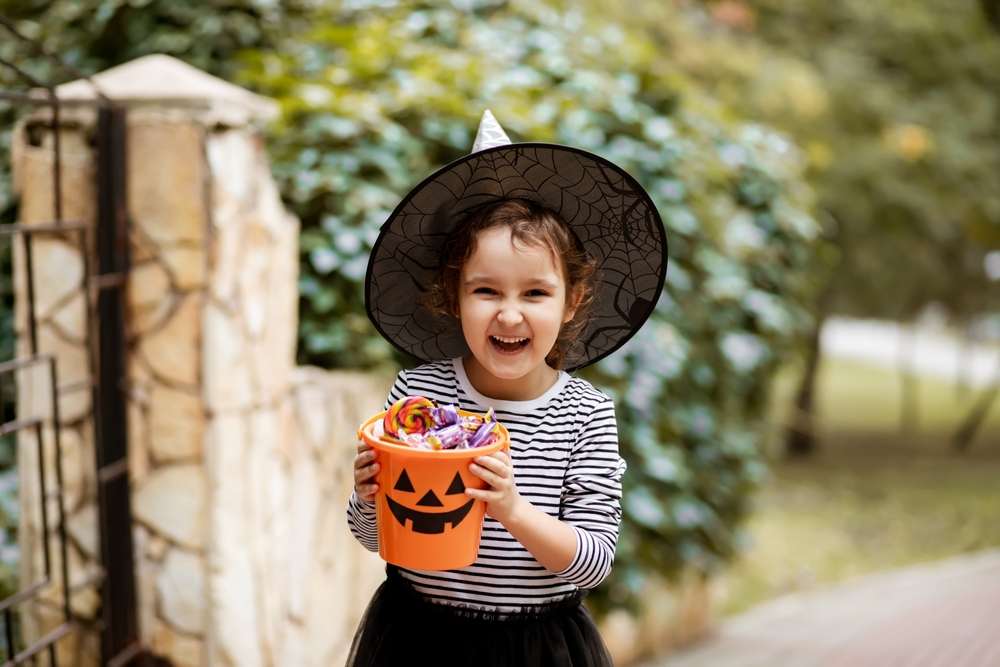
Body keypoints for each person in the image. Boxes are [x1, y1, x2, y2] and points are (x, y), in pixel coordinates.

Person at [346, 111, 668, 667]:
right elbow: (374, 537)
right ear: (454, 297)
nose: (510, 313)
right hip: (417, 642)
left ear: (572, 302)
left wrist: (514, 510)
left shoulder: (584, 414)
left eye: (536, 293)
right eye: (486, 290)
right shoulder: (417, 395)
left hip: (537, 648)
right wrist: (368, 497)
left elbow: (593, 559)